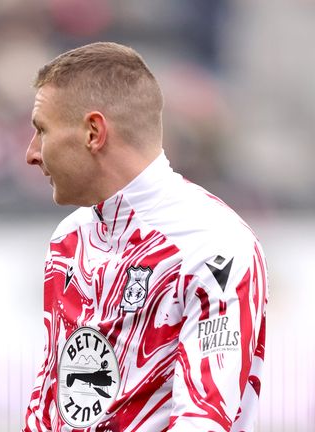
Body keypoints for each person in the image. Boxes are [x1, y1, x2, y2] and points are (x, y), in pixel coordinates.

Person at [21, 42, 267, 431]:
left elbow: (204, 418)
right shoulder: (69, 240)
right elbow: (52, 405)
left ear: (93, 132)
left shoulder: (212, 244)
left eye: (42, 130)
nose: (31, 153)